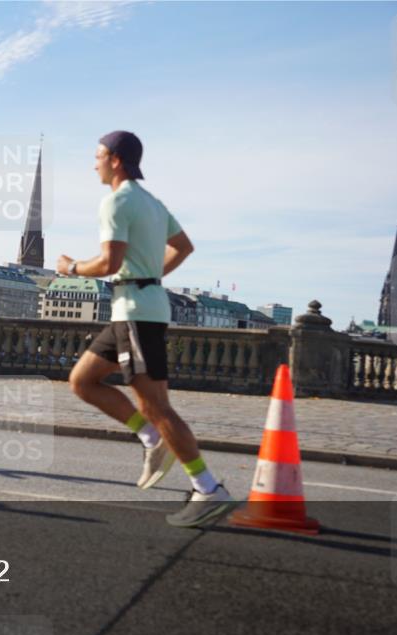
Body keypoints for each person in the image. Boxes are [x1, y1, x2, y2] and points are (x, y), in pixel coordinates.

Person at [59, 130, 234, 527]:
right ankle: (150, 438)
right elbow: (184, 246)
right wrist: (151, 274)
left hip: (137, 313)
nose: (94, 163)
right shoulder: (152, 204)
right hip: (132, 309)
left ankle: (208, 489)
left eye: (98, 155)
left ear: (116, 160)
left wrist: (69, 268)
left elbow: (107, 263)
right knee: (83, 380)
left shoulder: (117, 202)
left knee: (156, 406)